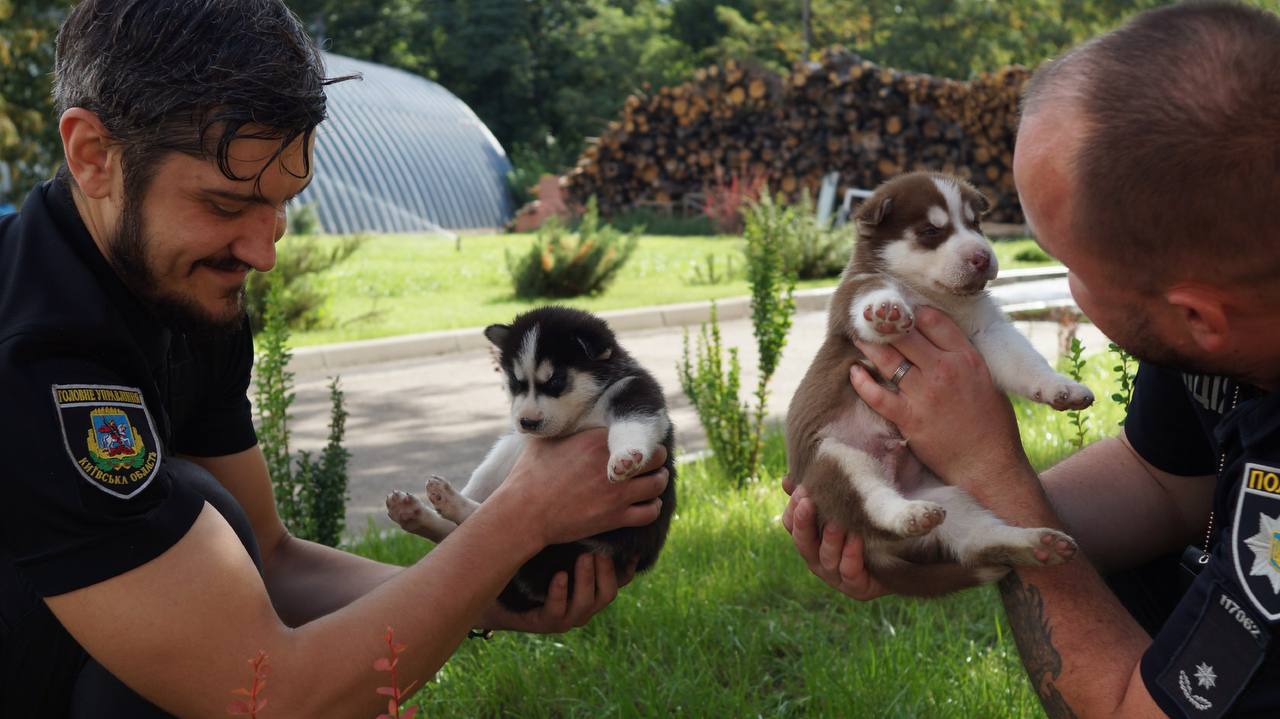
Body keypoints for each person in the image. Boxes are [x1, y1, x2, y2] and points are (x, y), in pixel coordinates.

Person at [0, 1, 669, 716]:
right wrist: (521, 517)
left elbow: (273, 558)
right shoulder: (37, 363)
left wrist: (498, 597)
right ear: (94, 157)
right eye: (226, 205)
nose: (263, 252)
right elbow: (268, 694)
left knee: (215, 529)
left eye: (282, 203)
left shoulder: (183, 288)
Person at [782, 2, 1280, 717]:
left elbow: (1123, 711)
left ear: (1196, 314)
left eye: (1067, 260)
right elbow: (1161, 482)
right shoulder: (1226, 321)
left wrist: (988, 468)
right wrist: (939, 547)